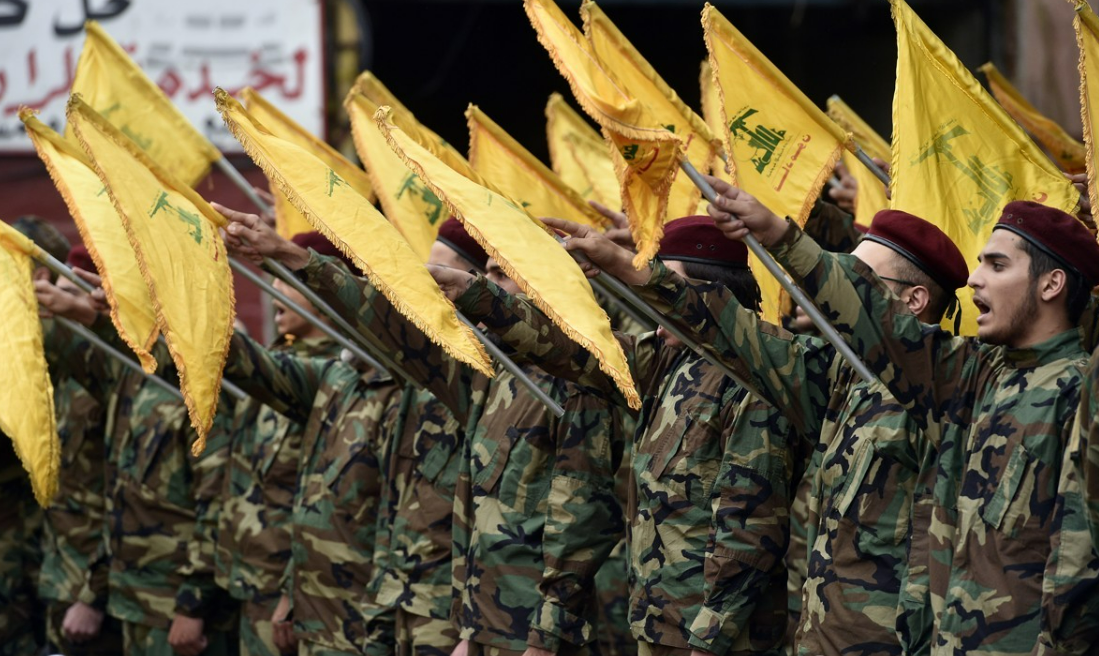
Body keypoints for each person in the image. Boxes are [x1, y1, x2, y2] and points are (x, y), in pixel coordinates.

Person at [706, 183, 1099, 655]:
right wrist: (777, 233)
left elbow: (1079, 567)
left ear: (1051, 284)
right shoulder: (978, 374)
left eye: (997, 265)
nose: (975, 280)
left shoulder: (1079, 393)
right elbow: (879, 320)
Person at [221, 210, 623, 656]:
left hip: (530, 634)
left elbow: (582, 522)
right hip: (465, 620)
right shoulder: (488, 376)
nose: (478, 291)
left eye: (498, 276)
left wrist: (545, 638)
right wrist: (292, 257)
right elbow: (385, 321)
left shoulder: (584, 381)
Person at [431, 216, 806, 656]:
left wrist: (708, 640)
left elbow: (748, 531)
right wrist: (476, 295)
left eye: (664, 287)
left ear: (707, 297)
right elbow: (575, 349)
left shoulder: (753, 381)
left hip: (719, 640)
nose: (649, 302)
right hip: (659, 624)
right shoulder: (670, 358)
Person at [214, 232, 344, 656]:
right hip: (252, 579)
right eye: (272, 281)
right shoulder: (281, 357)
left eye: (288, 281)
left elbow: (322, 497)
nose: (275, 294)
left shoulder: (334, 372)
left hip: (299, 589)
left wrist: (291, 590)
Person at [37, 246, 123, 656]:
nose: (58, 303)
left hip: (102, 586)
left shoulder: (117, 381)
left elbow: (127, 496)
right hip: (60, 573)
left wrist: (94, 596)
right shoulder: (70, 380)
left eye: (68, 292)